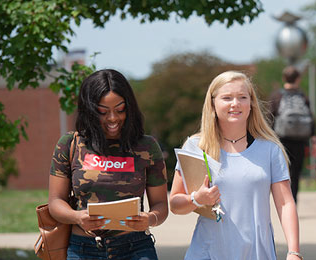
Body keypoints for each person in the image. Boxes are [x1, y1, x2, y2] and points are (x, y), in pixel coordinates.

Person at [169, 71, 302, 260]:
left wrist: (294, 251)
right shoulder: (195, 146)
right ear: (213, 104)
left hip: (257, 254)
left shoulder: (270, 149)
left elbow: (285, 203)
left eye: (242, 97)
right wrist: (197, 199)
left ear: (251, 104)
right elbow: (175, 204)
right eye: (227, 98)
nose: (235, 103)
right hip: (207, 253)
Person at [48, 69, 168, 259]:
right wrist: (77, 217)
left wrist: (150, 219)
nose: (113, 118)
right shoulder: (70, 144)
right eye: (102, 112)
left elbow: (161, 205)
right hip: (83, 249)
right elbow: (55, 202)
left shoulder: (147, 146)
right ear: (89, 110)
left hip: (135, 248)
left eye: (120, 110)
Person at [269, 66, 316, 202]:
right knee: (295, 174)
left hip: (281, 140)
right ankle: (293, 203)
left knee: (282, 173)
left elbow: (270, 119)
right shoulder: (303, 97)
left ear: (283, 78)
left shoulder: (277, 96)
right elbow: (311, 120)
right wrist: (314, 141)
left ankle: (283, 202)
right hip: (300, 141)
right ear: (298, 79)